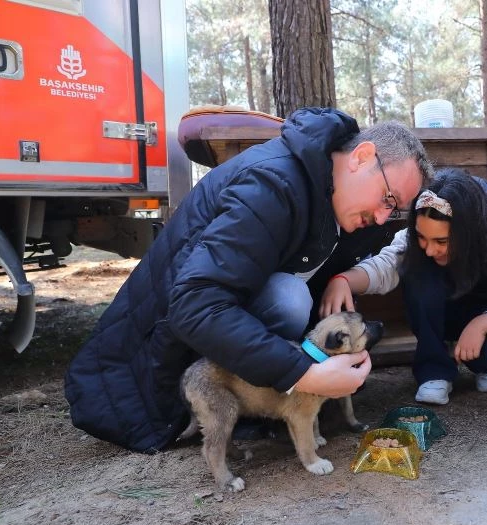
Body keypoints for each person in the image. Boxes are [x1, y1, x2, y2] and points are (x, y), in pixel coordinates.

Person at [64, 107, 433, 453]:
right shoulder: (272, 185)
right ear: (361, 157)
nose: (385, 218)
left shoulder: (337, 198)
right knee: (289, 298)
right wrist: (303, 374)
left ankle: (254, 405)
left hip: (208, 334)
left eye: (394, 208)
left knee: (292, 296)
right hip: (150, 367)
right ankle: (229, 403)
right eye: (388, 198)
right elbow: (195, 305)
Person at [320, 168, 487, 405]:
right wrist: (345, 280)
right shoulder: (414, 239)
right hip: (435, 318)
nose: (430, 250)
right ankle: (434, 368)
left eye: (441, 241)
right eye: (422, 237)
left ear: (468, 233)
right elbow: (385, 265)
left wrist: (483, 324)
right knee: (420, 274)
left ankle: (482, 364)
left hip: (486, 315)